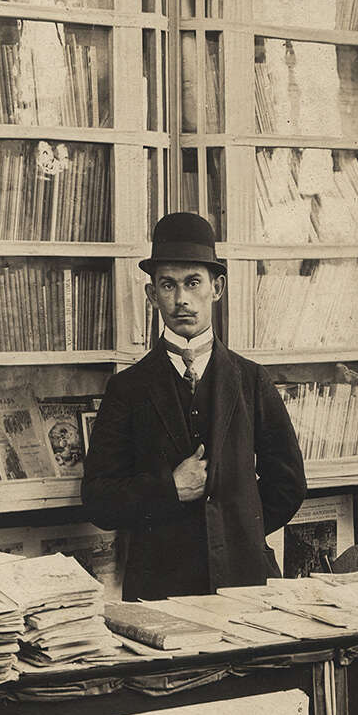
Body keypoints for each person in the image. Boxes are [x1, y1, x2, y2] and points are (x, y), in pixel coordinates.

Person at [81, 211, 307, 601]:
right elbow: (99, 500)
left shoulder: (251, 380)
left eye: (193, 282)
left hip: (245, 583)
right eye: (168, 284)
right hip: (159, 588)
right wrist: (169, 489)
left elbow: (288, 484)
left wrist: (236, 533)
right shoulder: (127, 389)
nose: (181, 299)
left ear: (216, 288)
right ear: (152, 295)